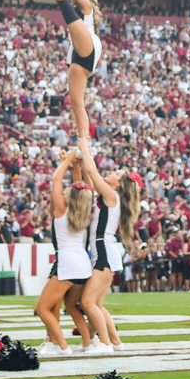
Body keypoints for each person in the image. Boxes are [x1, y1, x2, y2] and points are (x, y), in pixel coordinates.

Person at [78, 134, 137, 353]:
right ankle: (115, 342)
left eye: (116, 174)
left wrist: (85, 149)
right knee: (97, 304)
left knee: (87, 302)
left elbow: (93, 174)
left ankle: (103, 343)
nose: (111, 173)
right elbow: (89, 179)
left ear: (119, 183)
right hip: (104, 250)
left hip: (103, 250)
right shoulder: (112, 196)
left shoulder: (112, 195)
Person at [32, 148, 93, 356]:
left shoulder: (61, 210)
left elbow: (56, 180)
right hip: (83, 265)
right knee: (71, 306)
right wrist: (77, 164)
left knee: (42, 309)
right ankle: (86, 343)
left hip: (67, 263)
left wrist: (67, 160)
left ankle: (63, 347)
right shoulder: (84, 210)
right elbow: (80, 187)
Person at [43, 0, 103, 141]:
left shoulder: (86, 5)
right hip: (79, 55)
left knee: (64, 6)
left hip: (88, 45)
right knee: (76, 103)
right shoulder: (79, 4)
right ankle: (83, 140)